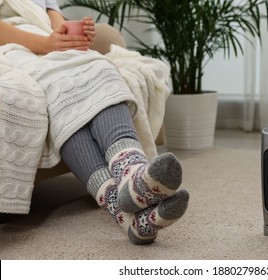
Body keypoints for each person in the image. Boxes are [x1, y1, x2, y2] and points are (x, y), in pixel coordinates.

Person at [0, 0, 189, 245]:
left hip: (46, 43)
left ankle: (131, 185)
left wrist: (70, 36)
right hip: (12, 48)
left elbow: (55, 20)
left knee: (99, 67)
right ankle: (131, 199)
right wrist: (47, 44)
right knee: (59, 84)